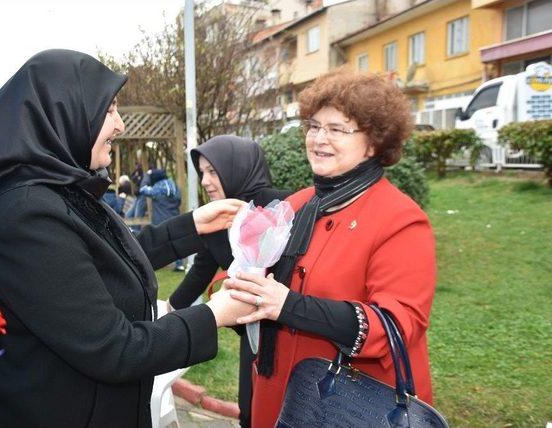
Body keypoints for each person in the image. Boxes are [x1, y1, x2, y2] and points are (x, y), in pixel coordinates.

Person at [0, 49, 254, 428]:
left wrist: (192, 225)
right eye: (109, 109)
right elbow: (113, 348)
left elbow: (107, 265)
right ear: (63, 113)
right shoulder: (23, 215)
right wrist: (212, 315)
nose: (119, 124)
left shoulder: (60, 192)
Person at [224, 69, 437, 427]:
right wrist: (235, 284)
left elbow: (395, 327)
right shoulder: (296, 204)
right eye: (313, 126)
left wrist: (290, 306)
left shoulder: (401, 220)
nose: (318, 138)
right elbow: (248, 273)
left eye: (336, 129)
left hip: (350, 407)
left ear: (374, 143)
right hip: (276, 398)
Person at [167, 135, 292, 427]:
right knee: (250, 412)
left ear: (236, 168)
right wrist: (169, 312)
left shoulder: (284, 205)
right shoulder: (220, 218)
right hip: (250, 333)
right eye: (202, 173)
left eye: (213, 171)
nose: (206, 181)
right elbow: (201, 270)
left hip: (292, 330)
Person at [139, 168, 184, 271]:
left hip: (160, 221)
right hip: (174, 217)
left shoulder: (158, 187)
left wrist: (146, 175)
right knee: (176, 241)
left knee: (156, 242)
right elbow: (179, 200)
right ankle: (180, 265)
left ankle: (153, 264)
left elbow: (143, 189)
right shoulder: (173, 185)